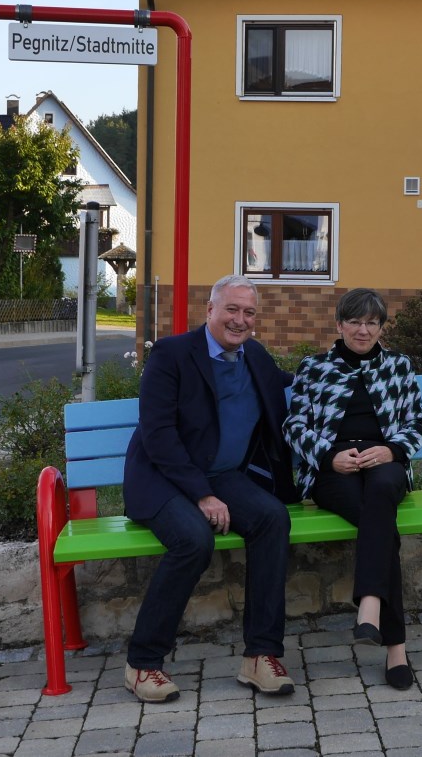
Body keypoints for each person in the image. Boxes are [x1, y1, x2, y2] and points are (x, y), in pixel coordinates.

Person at [121, 274, 297, 702]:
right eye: (232, 310)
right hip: (162, 478)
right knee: (194, 539)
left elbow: (288, 385)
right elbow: (159, 434)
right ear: (211, 311)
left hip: (221, 477)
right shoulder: (171, 355)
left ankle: (260, 656)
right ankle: (143, 663)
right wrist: (202, 493)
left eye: (249, 312)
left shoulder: (253, 356)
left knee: (273, 518)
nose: (240, 320)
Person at [283, 288, 422, 691]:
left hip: (386, 463)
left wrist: (392, 450)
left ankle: (369, 607)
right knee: (379, 522)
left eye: (372, 323)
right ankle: (395, 646)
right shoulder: (314, 367)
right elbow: (293, 427)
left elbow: (418, 422)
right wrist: (329, 456)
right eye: (355, 322)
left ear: (381, 328)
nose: (363, 330)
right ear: (339, 325)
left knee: (381, 495)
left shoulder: (398, 365)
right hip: (334, 471)